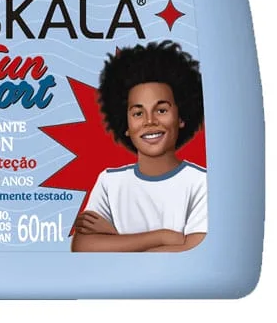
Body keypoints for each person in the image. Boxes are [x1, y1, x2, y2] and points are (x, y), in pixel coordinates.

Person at [71, 40, 207, 252]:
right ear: (125, 125)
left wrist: (117, 239)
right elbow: (83, 247)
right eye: (138, 113)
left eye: (161, 110)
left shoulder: (201, 183)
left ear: (181, 117)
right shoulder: (109, 182)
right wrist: (164, 236)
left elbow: (194, 249)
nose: (149, 121)